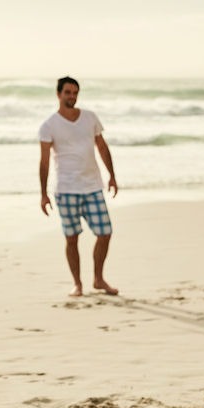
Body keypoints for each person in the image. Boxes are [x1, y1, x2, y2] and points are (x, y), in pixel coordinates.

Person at [39, 76, 119, 297]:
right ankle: (77, 284)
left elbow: (102, 147)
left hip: (92, 186)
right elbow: (44, 161)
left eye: (75, 93)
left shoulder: (90, 118)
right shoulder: (49, 126)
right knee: (72, 238)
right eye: (68, 92)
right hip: (66, 189)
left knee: (105, 233)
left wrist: (112, 176)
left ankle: (98, 279)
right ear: (59, 94)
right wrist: (43, 194)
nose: (72, 96)